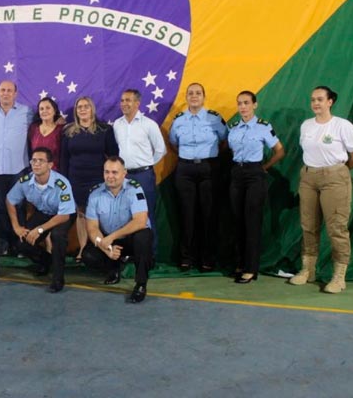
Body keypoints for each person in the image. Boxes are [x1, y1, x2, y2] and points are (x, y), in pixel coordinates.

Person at [289, 86, 353, 293]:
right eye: (313, 99)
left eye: (320, 99)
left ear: (330, 101)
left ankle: (339, 277)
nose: (316, 103)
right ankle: (308, 270)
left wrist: (339, 172)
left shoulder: (342, 125)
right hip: (308, 178)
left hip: (335, 178)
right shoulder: (306, 126)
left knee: (336, 228)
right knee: (308, 225)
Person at [168, 83, 227, 272]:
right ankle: (186, 258)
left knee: (208, 215)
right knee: (187, 214)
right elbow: (173, 143)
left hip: (209, 169)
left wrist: (207, 158)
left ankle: (207, 258)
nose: (194, 96)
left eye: (198, 93)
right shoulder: (178, 120)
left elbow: (224, 141)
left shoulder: (214, 118)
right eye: (190, 93)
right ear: (186, 97)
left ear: (204, 97)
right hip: (185, 169)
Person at [228, 91, 285, 283]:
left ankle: (251, 269)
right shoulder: (233, 128)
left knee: (252, 221)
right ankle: (239, 263)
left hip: (255, 175)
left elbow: (279, 151)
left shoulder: (263, 127)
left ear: (255, 105)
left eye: (246, 103)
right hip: (237, 173)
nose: (242, 107)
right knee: (237, 220)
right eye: (239, 103)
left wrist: (264, 167)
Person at [82, 156, 153, 303]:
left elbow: (140, 221)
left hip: (130, 238)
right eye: (106, 172)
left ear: (124, 173)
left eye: (114, 172)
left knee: (143, 237)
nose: (110, 176)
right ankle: (113, 268)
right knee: (88, 255)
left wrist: (111, 237)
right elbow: (92, 228)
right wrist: (104, 246)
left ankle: (140, 284)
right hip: (109, 240)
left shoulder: (134, 189)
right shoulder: (95, 194)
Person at [6, 147, 76, 293]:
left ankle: (58, 279)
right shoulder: (25, 181)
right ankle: (45, 260)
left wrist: (40, 229)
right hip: (43, 212)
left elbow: (64, 215)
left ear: (50, 165)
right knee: (21, 241)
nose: (36, 164)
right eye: (34, 160)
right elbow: (10, 200)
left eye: (41, 161)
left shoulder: (62, 183)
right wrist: (16, 226)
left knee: (58, 236)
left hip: (62, 214)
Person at [61, 96, 118, 262]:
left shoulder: (105, 130)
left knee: (99, 215)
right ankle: (82, 250)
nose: (83, 109)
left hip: (98, 180)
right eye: (80, 107)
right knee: (81, 214)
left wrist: (111, 178)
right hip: (76, 180)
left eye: (86, 106)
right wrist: (65, 182)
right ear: (76, 111)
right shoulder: (68, 131)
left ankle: (100, 248)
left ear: (92, 108)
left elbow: (114, 156)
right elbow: (64, 159)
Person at [113, 89, 166, 253]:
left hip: (144, 176)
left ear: (137, 103)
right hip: (124, 177)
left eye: (128, 100)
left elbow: (160, 150)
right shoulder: (117, 125)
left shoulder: (149, 124)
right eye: (122, 100)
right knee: (125, 216)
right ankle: (129, 253)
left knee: (146, 215)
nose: (124, 104)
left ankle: (151, 254)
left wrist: (146, 165)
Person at [0, 80, 33, 255]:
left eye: (9, 90)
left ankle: (19, 243)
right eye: (3, 90)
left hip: (19, 168)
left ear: (15, 94)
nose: (6, 93)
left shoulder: (27, 112)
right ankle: (4, 243)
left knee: (18, 206)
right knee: (1, 207)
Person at [28, 98, 63, 172]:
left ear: (54, 111)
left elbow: (64, 156)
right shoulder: (33, 128)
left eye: (48, 108)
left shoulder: (61, 130)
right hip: (36, 173)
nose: (44, 111)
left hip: (55, 174)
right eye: (41, 109)